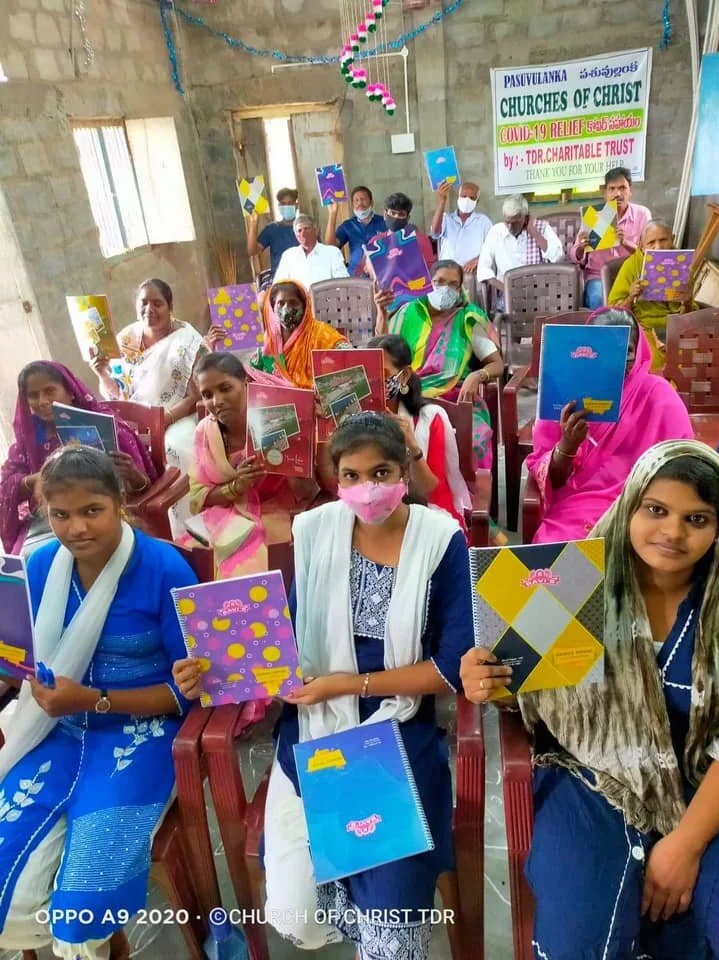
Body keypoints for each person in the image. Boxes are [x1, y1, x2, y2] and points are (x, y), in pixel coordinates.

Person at [174, 412, 474, 959]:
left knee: (391, 900)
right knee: (292, 910)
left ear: (405, 470)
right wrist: (208, 671)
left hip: (397, 725)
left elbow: (451, 667)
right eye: (352, 476)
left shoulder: (439, 539)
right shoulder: (316, 531)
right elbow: (279, 637)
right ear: (336, 479)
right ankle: (342, 917)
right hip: (314, 727)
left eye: (381, 472)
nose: (367, 489)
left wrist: (348, 684)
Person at [461, 440, 719, 960]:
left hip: (704, 792)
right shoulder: (574, 584)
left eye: (698, 518)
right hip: (591, 778)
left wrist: (686, 845)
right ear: (628, 505)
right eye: (656, 510)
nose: (672, 532)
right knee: (584, 942)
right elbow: (527, 688)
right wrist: (485, 677)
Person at [0, 446, 197, 960]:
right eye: (60, 514)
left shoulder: (162, 568)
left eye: (92, 511)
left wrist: (95, 699)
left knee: (82, 905)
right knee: (7, 884)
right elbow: (23, 653)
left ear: (120, 505)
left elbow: (188, 690)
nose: (76, 528)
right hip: (57, 729)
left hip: (142, 731)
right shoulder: (41, 565)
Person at [526, 307, 694, 544]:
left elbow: (682, 462)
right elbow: (551, 479)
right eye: (606, 351)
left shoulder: (658, 394)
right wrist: (568, 443)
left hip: (644, 504)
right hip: (580, 505)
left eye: (627, 351)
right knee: (557, 557)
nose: (618, 361)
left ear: (639, 350)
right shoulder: (564, 393)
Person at [183, 352, 318, 577]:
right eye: (207, 394)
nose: (216, 401)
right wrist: (237, 486)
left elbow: (305, 492)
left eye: (225, 388)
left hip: (276, 514)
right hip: (224, 516)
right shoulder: (205, 432)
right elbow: (200, 497)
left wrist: (291, 454)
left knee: (247, 570)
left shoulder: (280, 422)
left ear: (245, 384)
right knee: (191, 564)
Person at [0, 361, 156, 554]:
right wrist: (36, 480)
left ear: (70, 391)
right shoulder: (30, 437)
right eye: (33, 395)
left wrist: (132, 474)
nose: (42, 401)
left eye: (50, 391)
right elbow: (6, 485)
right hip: (52, 515)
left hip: (100, 512)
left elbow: (143, 486)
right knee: (25, 560)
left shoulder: (105, 425)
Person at [89, 279, 206, 535]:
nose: (149, 310)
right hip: (132, 418)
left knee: (175, 445)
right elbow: (119, 391)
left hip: (174, 415)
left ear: (170, 306)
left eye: (157, 303)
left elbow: (197, 396)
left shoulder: (187, 341)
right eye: (143, 303)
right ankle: (128, 527)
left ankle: (185, 526)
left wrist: (165, 418)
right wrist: (102, 375)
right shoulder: (126, 339)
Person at [376, 259, 504, 472]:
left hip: (455, 397)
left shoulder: (467, 317)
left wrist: (477, 376)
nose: (445, 289)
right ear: (427, 283)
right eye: (439, 282)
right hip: (408, 395)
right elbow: (382, 351)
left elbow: (497, 364)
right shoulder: (409, 312)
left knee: (475, 439)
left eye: (454, 284)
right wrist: (381, 311)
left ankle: (472, 499)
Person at [368, 334, 472, 531]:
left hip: (423, 513)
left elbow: (429, 490)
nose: (374, 381)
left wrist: (411, 444)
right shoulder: (355, 420)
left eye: (383, 374)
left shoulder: (430, 419)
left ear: (404, 375)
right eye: (368, 374)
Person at [609, 218, 697, 372]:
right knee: (653, 362)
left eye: (663, 240)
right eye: (651, 243)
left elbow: (689, 314)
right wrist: (631, 297)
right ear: (641, 245)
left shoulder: (682, 264)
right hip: (646, 327)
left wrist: (687, 300)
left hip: (678, 326)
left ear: (673, 239)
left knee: (694, 358)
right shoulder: (631, 266)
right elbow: (613, 313)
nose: (658, 247)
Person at [572, 166, 652, 309]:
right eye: (612, 189)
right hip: (597, 276)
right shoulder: (595, 215)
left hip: (630, 275)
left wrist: (625, 243)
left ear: (630, 191)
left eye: (623, 188)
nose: (618, 194)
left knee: (643, 302)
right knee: (597, 299)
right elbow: (574, 256)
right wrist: (581, 247)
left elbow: (648, 254)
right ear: (605, 193)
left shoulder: (642, 214)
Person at [254, 279, 349, 389]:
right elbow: (255, 374)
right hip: (279, 403)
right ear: (273, 307)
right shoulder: (268, 340)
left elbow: (350, 359)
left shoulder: (322, 334)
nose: (286, 309)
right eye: (281, 303)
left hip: (317, 403)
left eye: (293, 302)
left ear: (305, 306)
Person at [476, 195, 564, 307]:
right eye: (507, 222)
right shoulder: (496, 232)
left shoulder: (542, 228)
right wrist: (506, 289)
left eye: (515, 223)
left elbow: (557, 257)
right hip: (507, 296)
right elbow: (483, 269)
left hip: (539, 295)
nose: (510, 227)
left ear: (526, 218)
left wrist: (534, 233)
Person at [429, 181, 492, 272]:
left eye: (472, 198)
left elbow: (492, 248)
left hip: (471, 273)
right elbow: (434, 233)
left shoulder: (483, 221)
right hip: (447, 272)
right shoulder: (447, 218)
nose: (467, 200)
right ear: (458, 197)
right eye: (464, 196)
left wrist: (478, 260)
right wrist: (442, 201)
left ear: (477, 201)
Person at [324, 185, 386, 276]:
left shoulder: (384, 222)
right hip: (356, 277)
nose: (360, 203)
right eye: (356, 200)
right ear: (353, 204)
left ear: (371, 203)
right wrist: (332, 214)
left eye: (363, 199)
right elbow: (330, 246)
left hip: (381, 275)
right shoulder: (348, 225)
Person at [274, 215, 349, 289]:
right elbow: (278, 285)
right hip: (298, 299)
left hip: (326, 299)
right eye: (299, 231)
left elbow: (343, 284)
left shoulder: (332, 252)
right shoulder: (288, 255)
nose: (303, 234)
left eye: (307, 229)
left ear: (316, 231)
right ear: (295, 235)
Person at [246, 187, 300, 279]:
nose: (286, 206)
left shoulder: (306, 227)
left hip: (303, 276)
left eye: (290, 203)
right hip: (280, 279)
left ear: (296, 205)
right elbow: (252, 251)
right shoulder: (272, 229)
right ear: (279, 206)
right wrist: (253, 224)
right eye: (283, 204)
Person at [376, 191, 435, 268]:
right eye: (392, 213)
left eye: (401, 214)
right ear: (385, 215)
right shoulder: (376, 243)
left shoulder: (420, 240)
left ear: (408, 218)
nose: (396, 217)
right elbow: (367, 269)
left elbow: (429, 269)